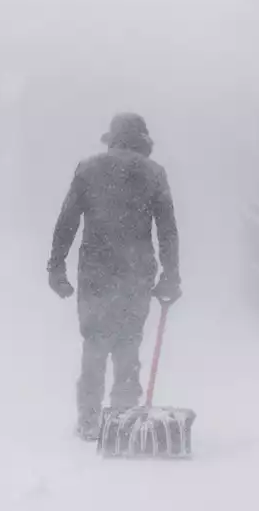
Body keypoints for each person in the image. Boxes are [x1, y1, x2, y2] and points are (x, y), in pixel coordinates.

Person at [47, 112, 181, 441]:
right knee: (127, 343)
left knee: (94, 343)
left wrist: (56, 267)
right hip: (136, 274)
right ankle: (122, 418)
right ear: (143, 142)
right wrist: (171, 275)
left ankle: (90, 421)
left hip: (95, 272)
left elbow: (67, 222)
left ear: (112, 140)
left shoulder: (88, 170)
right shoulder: (154, 174)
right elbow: (167, 231)